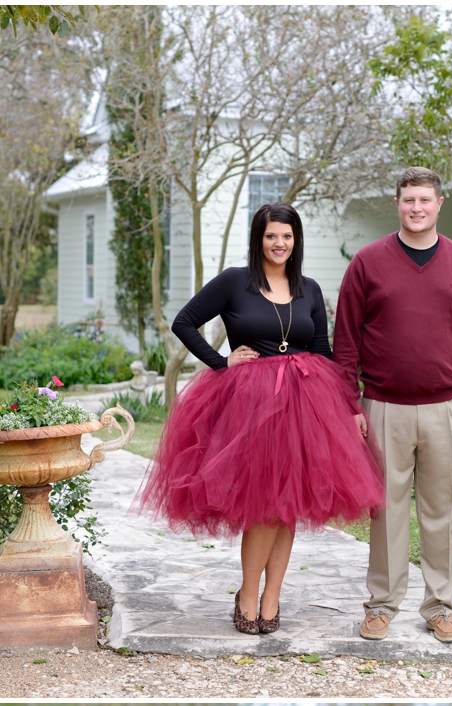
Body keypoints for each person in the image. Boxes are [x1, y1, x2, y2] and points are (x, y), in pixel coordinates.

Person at [134, 203, 384, 634]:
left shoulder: (308, 287)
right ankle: (248, 594)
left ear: (295, 240)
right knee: (265, 506)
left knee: (288, 506)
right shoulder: (235, 282)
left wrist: (347, 407)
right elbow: (185, 321)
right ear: (259, 239)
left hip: (307, 405)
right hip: (250, 407)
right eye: (271, 236)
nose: (279, 243)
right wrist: (221, 361)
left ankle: (273, 597)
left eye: (287, 236)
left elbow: (323, 351)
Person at [332, 168, 452, 644]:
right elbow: (346, 341)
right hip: (383, 407)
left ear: (440, 203)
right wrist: (351, 404)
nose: (416, 208)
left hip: (450, 408)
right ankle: (381, 605)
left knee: (444, 512)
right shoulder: (367, 262)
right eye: (408, 200)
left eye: (425, 199)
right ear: (397, 204)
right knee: (386, 511)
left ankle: (440, 606)